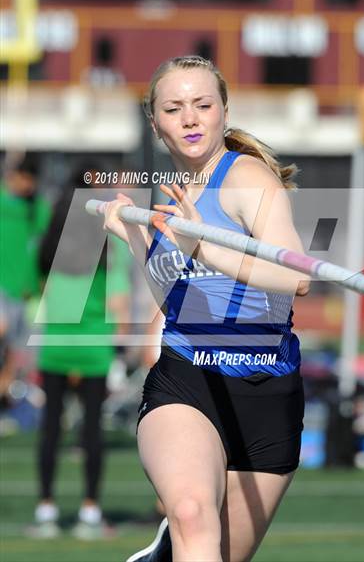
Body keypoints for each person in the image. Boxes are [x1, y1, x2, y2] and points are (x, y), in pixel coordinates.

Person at [103, 55, 310, 562]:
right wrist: (134, 238)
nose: (190, 118)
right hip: (187, 379)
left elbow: (295, 277)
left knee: (210, 552)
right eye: (174, 109)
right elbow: (179, 303)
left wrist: (206, 248)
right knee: (195, 518)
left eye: (202, 104)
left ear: (223, 111)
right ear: (156, 123)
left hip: (267, 391)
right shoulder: (173, 193)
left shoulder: (247, 179)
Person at [32, 166, 131, 539]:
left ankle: (46, 510)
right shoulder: (106, 236)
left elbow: (37, 282)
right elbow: (118, 296)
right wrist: (122, 344)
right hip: (93, 343)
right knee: (91, 430)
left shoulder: (52, 233)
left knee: (50, 429)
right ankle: (90, 511)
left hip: (56, 341)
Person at [0, 153, 51, 399]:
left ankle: (5, 392)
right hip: (2, 285)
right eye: (24, 178)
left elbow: (44, 246)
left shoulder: (37, 208)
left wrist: (41, 280)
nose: (27, 185)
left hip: (26, 290)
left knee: (16, 348)